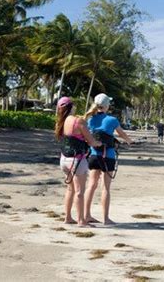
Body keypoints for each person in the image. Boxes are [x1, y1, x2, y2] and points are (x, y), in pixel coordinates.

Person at [84, 93, 132, 225]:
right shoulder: (112, 120)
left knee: (91, 185)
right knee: (105, 187)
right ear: (106, 106)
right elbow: (122, 134)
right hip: (108, 156)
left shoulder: (90, 120)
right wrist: (129, 141)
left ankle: (86, 215)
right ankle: (106, 219)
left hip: (94, 155)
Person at [55, 97, 101, 227]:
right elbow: (91, 141)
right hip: (77, 160)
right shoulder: (78, 121)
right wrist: (99, 143)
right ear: (71, 107)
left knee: (70, 189)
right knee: (79, 191)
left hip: (64, 159)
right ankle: (81, 220)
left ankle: (68, 217)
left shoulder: (61, 122)